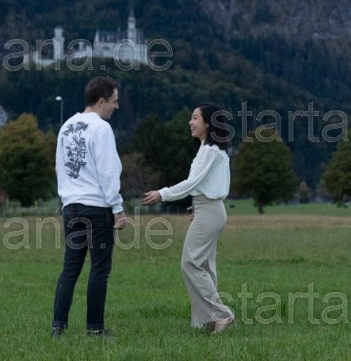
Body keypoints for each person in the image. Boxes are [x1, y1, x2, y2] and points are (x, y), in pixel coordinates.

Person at [142, 103, 235, 334]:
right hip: (207, 209)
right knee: (203, 265)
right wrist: (197, 205)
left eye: (195, 118)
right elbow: (205, 184)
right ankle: (207, 321)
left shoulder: (211, 151)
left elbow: (192, 182)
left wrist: (162, 194)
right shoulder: (208, 150)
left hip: (210, 211)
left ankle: (221, 314)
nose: (190, 122)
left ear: (208, 123)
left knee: (190, 263)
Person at [51, 76, 127, 338]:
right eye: (114, 101)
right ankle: (94, 328)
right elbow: (108, 170)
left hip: (71, 207)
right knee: (99, 268)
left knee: (70, 268)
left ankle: (58, 326)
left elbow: (60, 167)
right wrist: (117, 207)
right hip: (96, 208)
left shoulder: (66, 127)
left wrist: (67, 198)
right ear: (101, 101)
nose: (117, 107)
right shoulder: (101, 128)